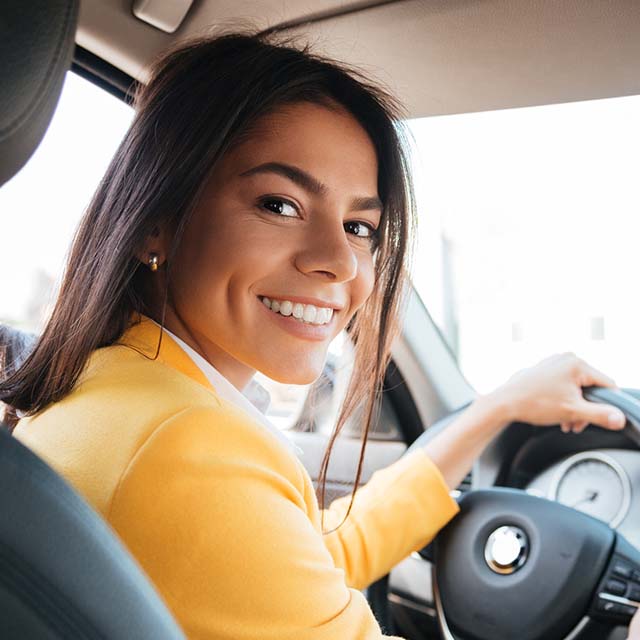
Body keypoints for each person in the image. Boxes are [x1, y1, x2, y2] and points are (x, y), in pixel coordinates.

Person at [0, 32, 636, 639]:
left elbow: (302, 562)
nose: (340, 260)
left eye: (360, 226)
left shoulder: (107, 386)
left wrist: (497, 407)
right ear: (155, 222)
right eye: (280, 204)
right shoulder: (186, 445)